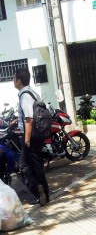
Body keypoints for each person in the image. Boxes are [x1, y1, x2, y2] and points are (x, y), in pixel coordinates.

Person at [14, 68, 49, 206]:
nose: (13, 81)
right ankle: (44, 194)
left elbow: (29, 119)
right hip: (37, 134)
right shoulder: (32, 92)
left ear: (19, 80)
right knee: (36, 165)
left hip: (31, 136)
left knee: (24, 166)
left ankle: (39, 190)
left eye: (14, 78)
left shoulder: (24, 95)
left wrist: (27, 140)